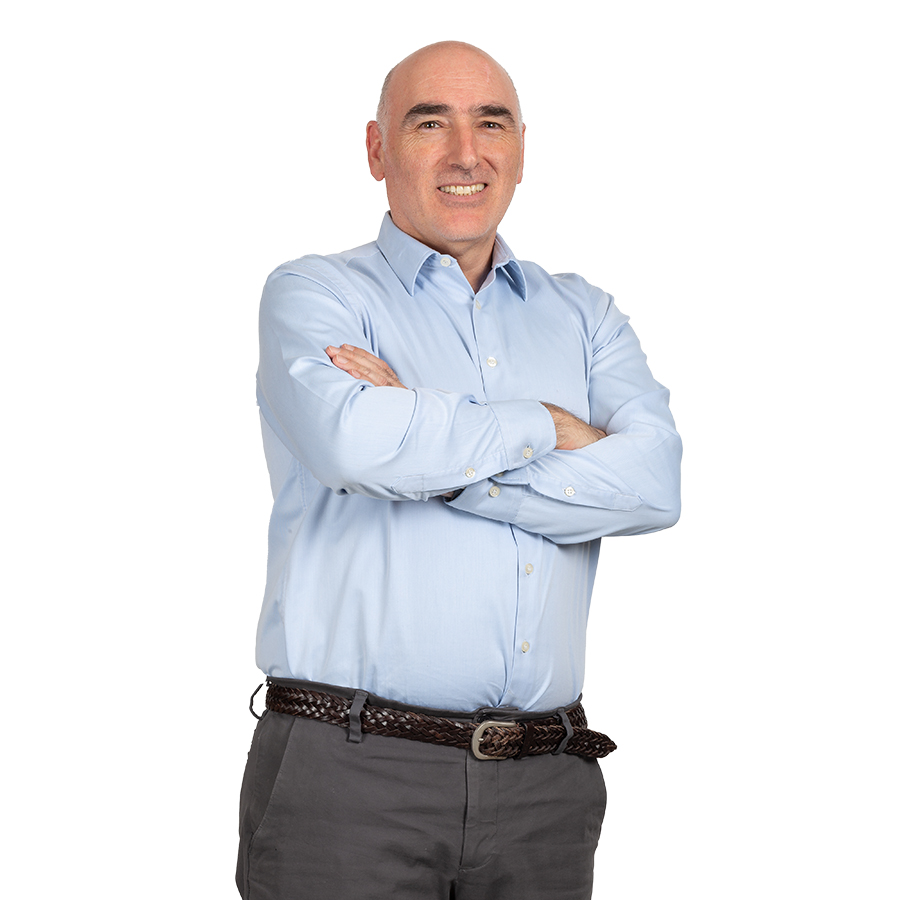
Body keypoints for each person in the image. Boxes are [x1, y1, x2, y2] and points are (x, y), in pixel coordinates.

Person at [237, 41, 681, 900]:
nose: (465, 154)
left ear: (522, 148)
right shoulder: (317, 296)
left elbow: (653, 485)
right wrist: (550, 426)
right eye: (429, 123)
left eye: (491, 124)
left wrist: (437, 459)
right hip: (351, 776)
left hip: (546, 785)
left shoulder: (585, 316)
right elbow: (353, 445)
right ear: (377, 149)